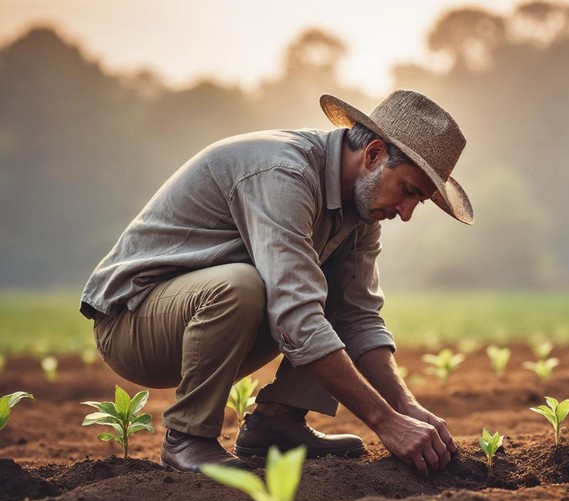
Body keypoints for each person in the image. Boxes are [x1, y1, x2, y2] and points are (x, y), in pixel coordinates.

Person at [79, 90, 472, 476]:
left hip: (204, 319)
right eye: (408, 191)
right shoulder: (285, 174)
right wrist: (385, 423)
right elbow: (295, 315)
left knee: (321, 284)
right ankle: (187, 437)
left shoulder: (362, 211)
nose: (405, 213)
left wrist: (406, 407)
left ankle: (276, 424)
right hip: (133, 323)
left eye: (417, 202)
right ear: (372, 155)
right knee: (243, 285)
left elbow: (358, 317)